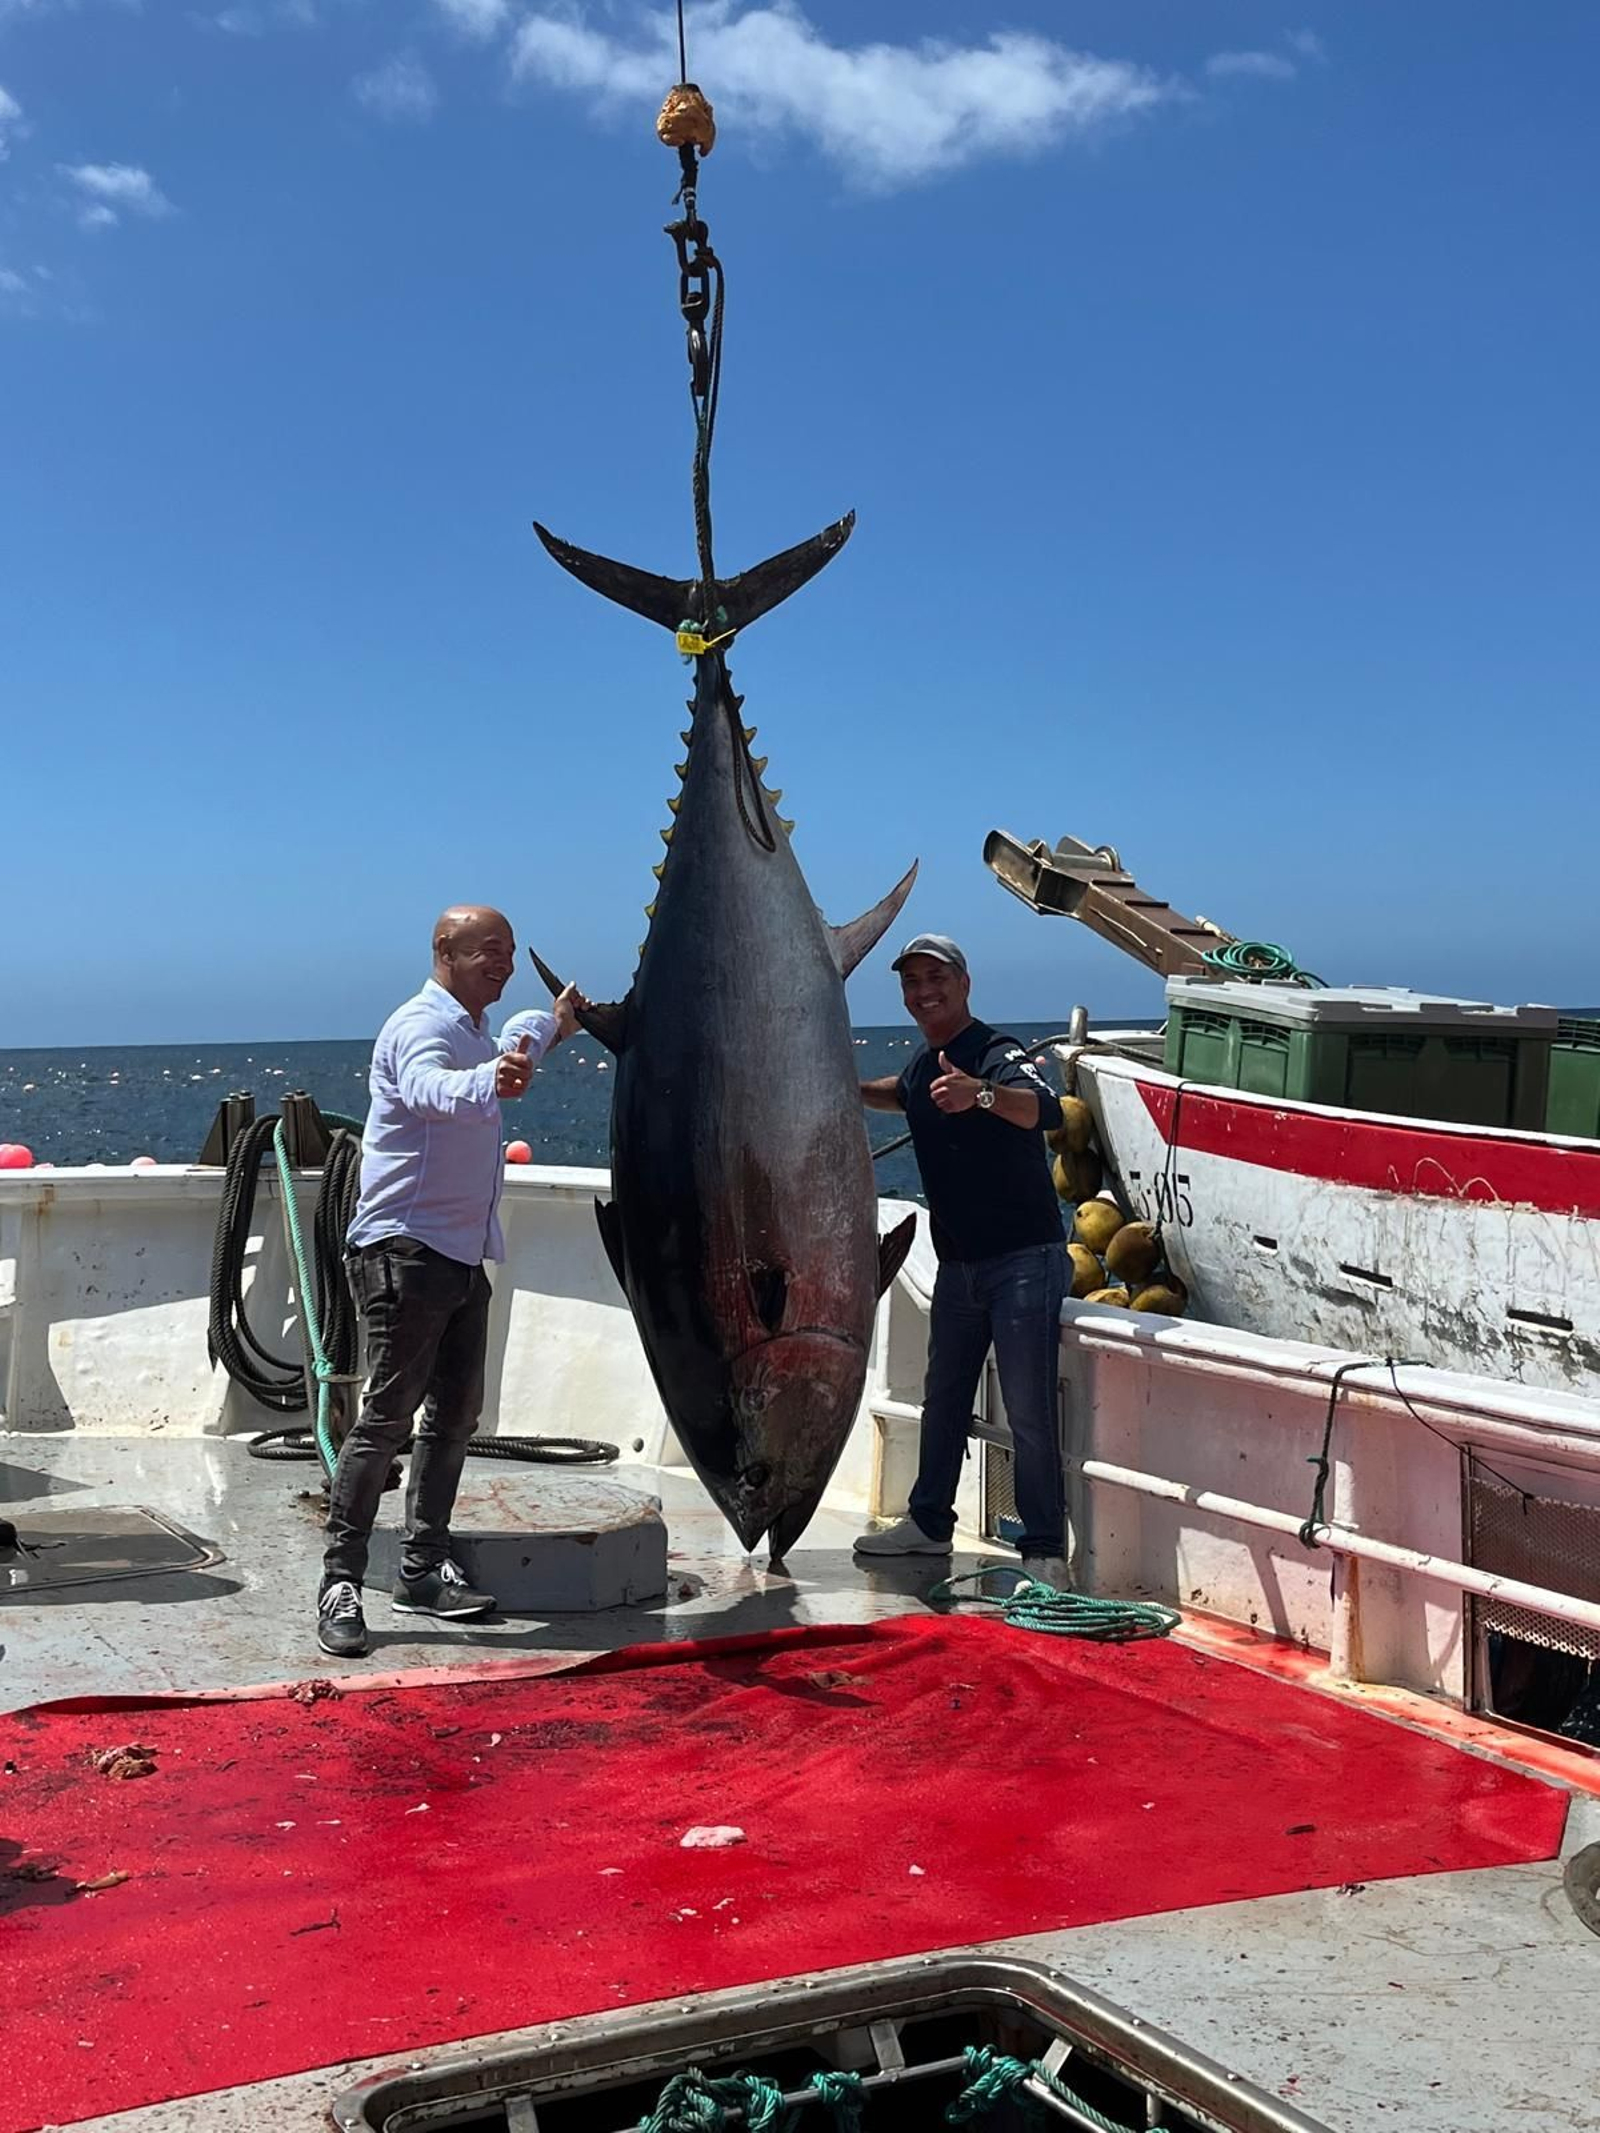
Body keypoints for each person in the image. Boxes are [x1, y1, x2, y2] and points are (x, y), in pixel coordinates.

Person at [316, 905, 578, 1658]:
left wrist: (559, 1023)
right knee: (386, 1421)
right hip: (405, 1252)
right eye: (484, 950)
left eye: (508, 951)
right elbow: (433, 1087)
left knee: (456, 1415)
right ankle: (340, 1580)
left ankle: (422, 1567)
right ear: (444, 951)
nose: (501, 961)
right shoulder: (420, 1029)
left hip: (461, 1254)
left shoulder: (473, 1028)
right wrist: (493, 1078)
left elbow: (516, 1042)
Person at [855, 934, 1070, 1587]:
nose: (923, 991)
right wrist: (840, 1082)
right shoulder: (924, 1068)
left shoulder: (996, 1052)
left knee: (1029, 1410)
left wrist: (979, 1094)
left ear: (964, 981)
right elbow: (903, 1093)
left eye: (935, 977)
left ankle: (1043, 1549)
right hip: (960, 1266)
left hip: (1024, 1261)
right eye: (912, 981)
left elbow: (1048, 1110)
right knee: (942, 1400)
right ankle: (929, 1523)